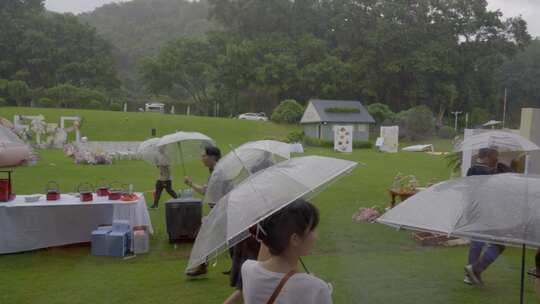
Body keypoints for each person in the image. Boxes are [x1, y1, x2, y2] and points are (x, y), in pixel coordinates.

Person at [240, 199, 332, 304]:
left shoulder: (247, 268)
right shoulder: (317, 289)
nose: (316, 236)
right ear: (295, 239)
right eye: (312, 230)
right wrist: (314, 287)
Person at [464, 147, 508, 285]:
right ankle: (476, 270)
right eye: (496, 158)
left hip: (475, 211)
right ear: (488, 157)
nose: (497, 160)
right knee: (499, 244)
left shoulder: (473, 169)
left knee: (477, 241)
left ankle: (471, 275)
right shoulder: (484, 171)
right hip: (487, 213)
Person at [184, 145, 221, 278]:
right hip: (219, 210)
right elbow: (208, 192)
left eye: (204, 155)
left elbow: (207, 192)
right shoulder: (215, 171)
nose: (202, 158)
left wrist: (191, 183)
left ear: (212, 157)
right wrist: (191, 184)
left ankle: (202, 266)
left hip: (222, 210)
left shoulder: (218, 173)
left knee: (205, 236)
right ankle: (203, 265)